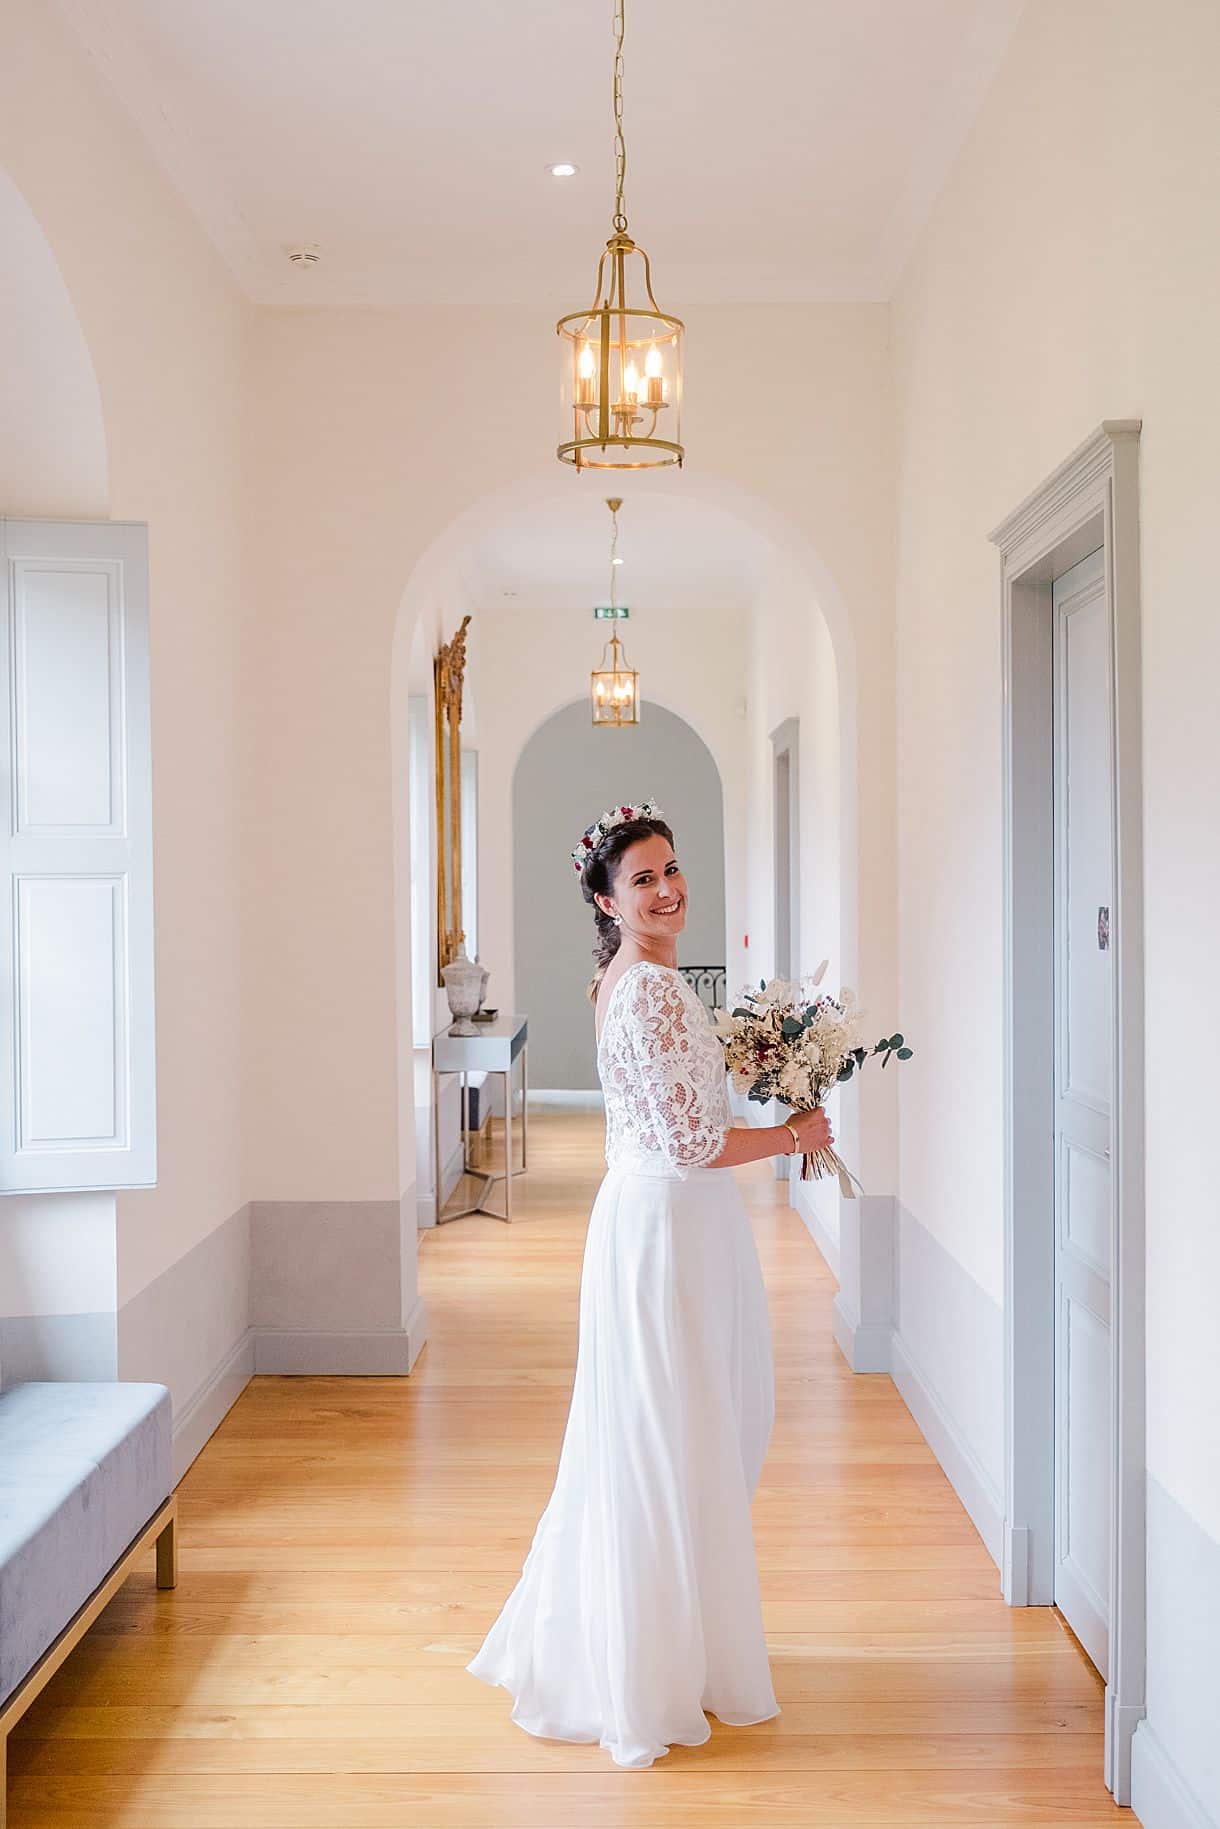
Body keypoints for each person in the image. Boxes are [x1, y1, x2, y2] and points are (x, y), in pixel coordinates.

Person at [466, 800, 832, 1769]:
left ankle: (655, 1639)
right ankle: (654, 1663)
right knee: (683, 1429)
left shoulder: (620, 978)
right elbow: (693, 1141)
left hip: (649, 1218)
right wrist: (797, 1134)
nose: (666, 889)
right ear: (605, 895)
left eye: (670, 869)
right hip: (672, 1222)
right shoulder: (656, 989)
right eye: (641, 878)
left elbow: (672, 1113)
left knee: (658, 1430)